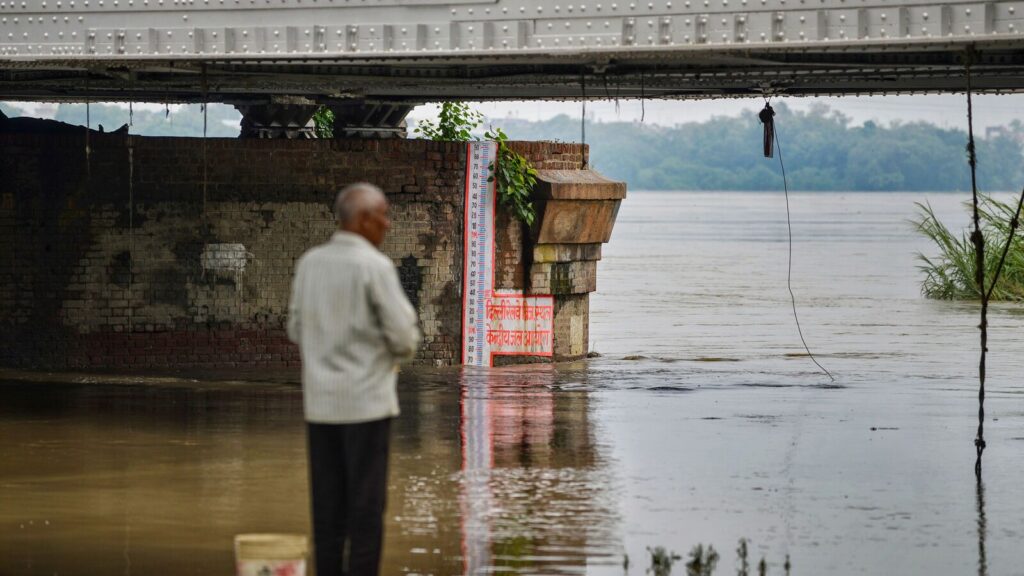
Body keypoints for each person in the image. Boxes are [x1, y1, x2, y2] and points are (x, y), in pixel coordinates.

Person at [287, 182, 420, 576]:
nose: (388, 224)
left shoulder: (311, 262)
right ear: (363, 220)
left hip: (321, 407)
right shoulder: (373, 266)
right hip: (366, 407)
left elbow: (295, 328)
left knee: (327, 509)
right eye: (383, 215)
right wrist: (380, 354)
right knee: (365, 509)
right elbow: (404, 337)